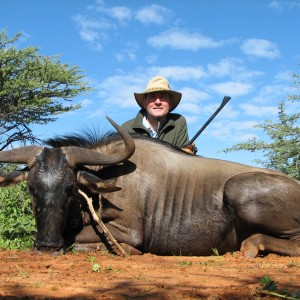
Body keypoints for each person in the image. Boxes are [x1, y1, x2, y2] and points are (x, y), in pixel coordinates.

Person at [122, 76, 196, 154]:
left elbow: (182, 159)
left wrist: (187, 155)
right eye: (152, 97)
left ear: (170, 104)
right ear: (144, 103)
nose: (158, 102)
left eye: (163, 97)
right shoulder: (126, 129)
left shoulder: (179, 122)